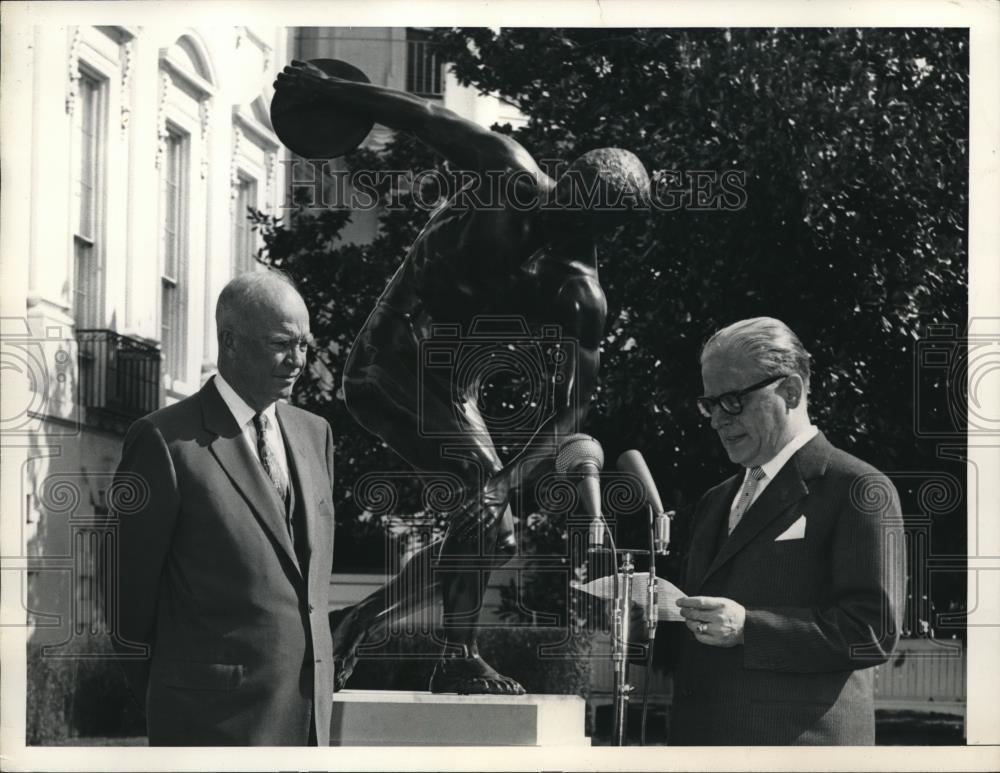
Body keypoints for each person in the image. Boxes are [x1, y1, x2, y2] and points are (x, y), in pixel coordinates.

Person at [274, 60, 650, 695]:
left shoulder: (579, 293)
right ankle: (454, 652)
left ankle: (355, 623)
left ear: (600, 226)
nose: (559, 213)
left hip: (450, 389)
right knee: (485, 515)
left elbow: (573, 413)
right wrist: (328, 91)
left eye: (582, 217)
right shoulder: (507, 171)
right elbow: (424, 116)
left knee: (489, 526)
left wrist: (505, 481)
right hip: (386, 357)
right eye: (566, 196)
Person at [109, 271, 336, 745]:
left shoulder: (316, 434)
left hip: (309, 721)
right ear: (229, 342)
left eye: (304, 344)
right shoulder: (163, 441)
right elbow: (127, 602)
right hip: (207, 726)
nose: (297, 360)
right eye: (281, 343)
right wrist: (172, 701)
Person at [669, 317, 906, 745]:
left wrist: (748, 628)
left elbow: (871, 633)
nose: (717, 420)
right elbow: (701, 635)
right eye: (709, 404)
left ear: (791, 391)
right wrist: (642, 624)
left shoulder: (858, 488)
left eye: (733, 401)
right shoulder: (715, 500)